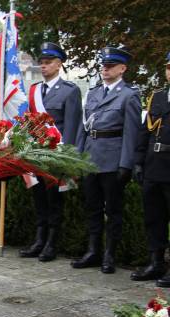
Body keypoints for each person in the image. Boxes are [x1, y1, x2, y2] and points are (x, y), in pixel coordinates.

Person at [72, 46, 142, 273]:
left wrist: (125, 164)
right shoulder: (93, 93)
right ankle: (93, 251)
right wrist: (79, 158)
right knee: (91, 208)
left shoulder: (129, 95)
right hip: (91, 157)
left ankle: (109, 255)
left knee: (113, 210)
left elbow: (131, 133)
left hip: (112, 159)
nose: (105, 69)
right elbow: (84, 129)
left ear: (123, 69)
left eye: (110, 66)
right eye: (103, 65)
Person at [20, 43, 84, 261]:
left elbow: (74, 126)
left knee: (54, 201)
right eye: (42, 62)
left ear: (59, 64)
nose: (43, 66)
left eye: (48, 62)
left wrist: (70, 158)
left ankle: (51, 243)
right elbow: (30, 122)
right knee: (39, 199)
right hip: (37, 154)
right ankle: (40, 239)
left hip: (57, 154)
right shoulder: (35, 90)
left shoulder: (70, 90)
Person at [132, 52, 170, 285]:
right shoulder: (157, 97)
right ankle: (156, 263)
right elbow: (144, 131)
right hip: (153, 165)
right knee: (153, 218)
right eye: (168, 67)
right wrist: (138, 161)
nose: (169, 72)